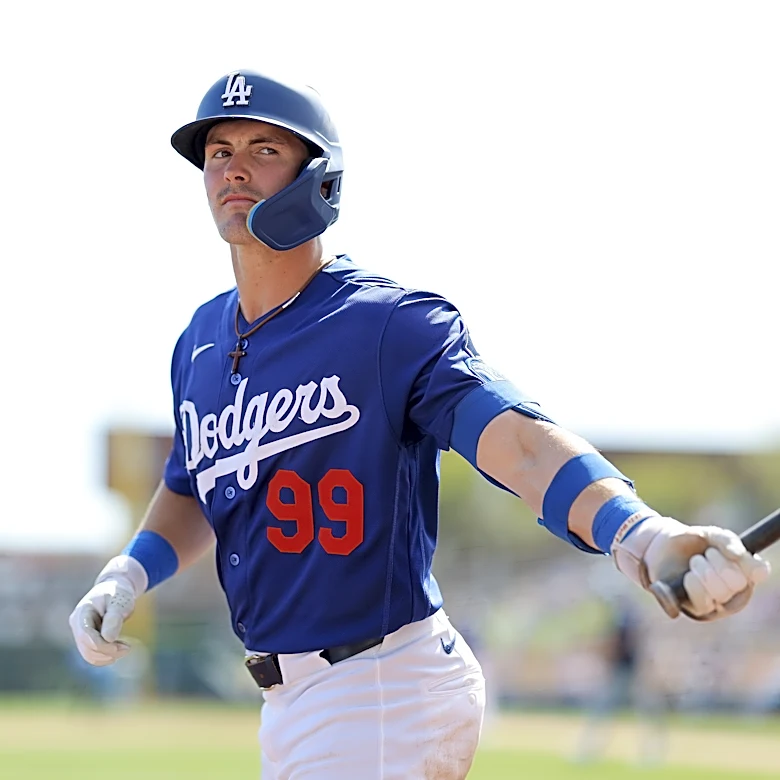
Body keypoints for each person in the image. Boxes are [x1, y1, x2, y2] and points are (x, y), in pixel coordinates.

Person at [68, 69, 771, 780]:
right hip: (293, 705)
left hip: (379, 687)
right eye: (219, 151)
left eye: (264, 148)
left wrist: (642, 534)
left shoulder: (387, 322)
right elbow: (194, 486)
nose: (235, 167)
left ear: (320, 179)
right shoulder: (200, 339)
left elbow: (519, 444)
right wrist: (124, 575)